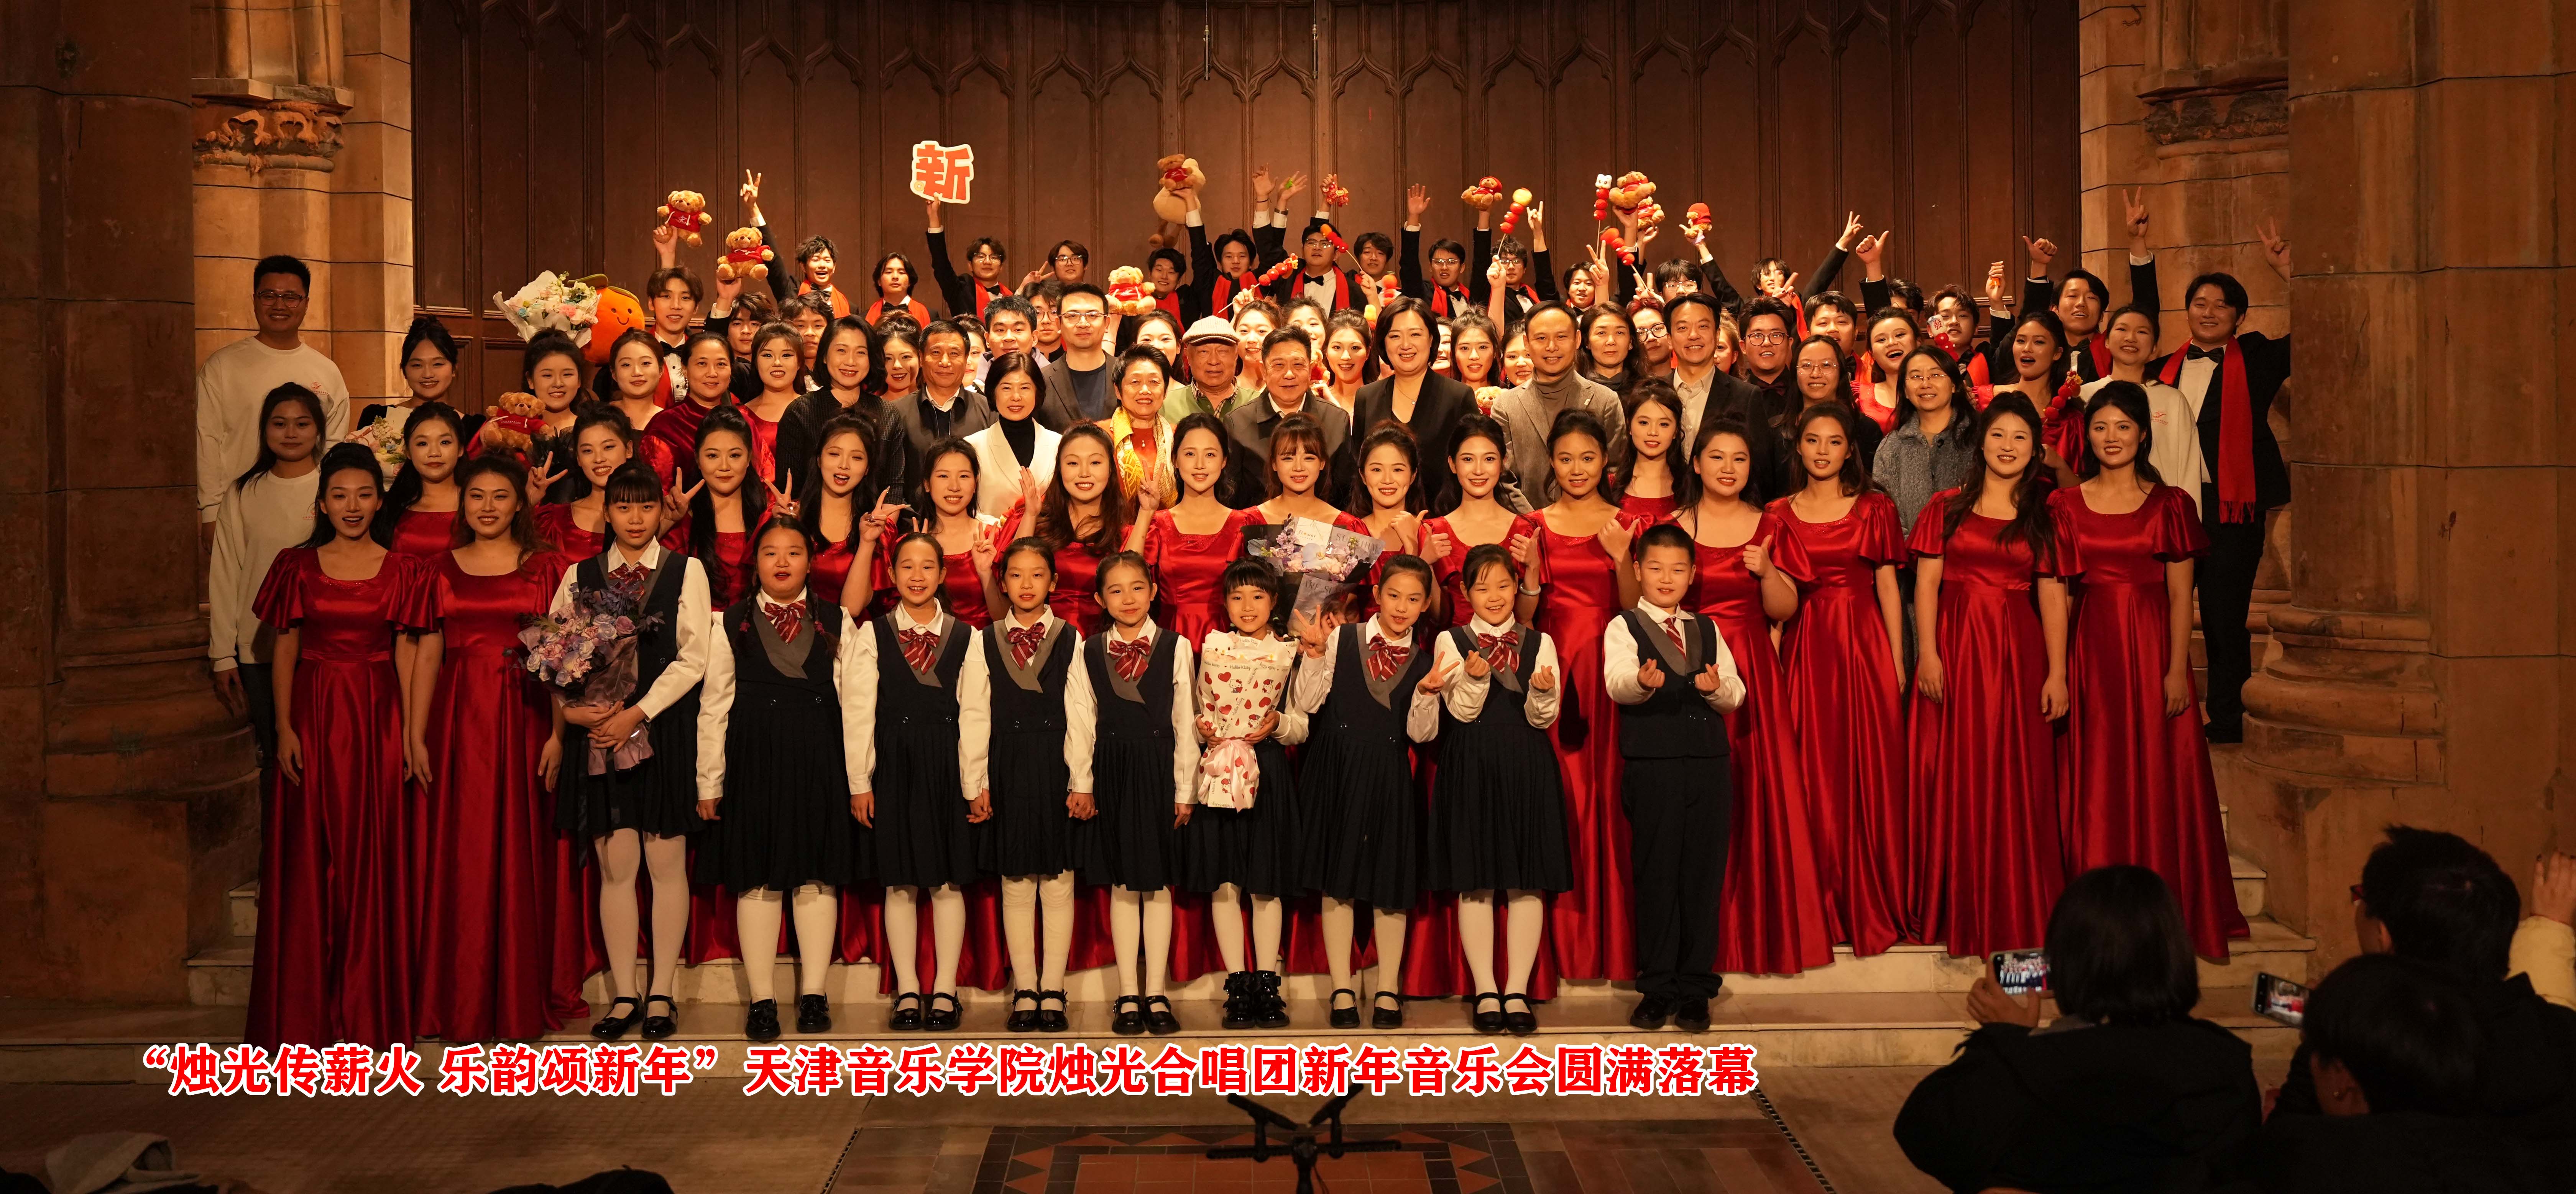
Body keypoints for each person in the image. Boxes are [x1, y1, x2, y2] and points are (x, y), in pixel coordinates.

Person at [1895, 866, 2262, 1194]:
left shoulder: (2032, 1067)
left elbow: (1924, 1131)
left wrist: (2007, 1038)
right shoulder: (2226, 1060)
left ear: (2065, 963)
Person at [2053, 383, 2249, 957]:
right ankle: (2092, 908)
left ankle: (2162, 908)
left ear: (2143, 434)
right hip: (2090, 650)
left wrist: (2174, 670)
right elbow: (2062, 593)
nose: (2111, 437)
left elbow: (2181, 594)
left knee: (2159, 772)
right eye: (2100, 427)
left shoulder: (2171, 505)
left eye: (2123, 427)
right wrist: (2059, 668)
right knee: (2095, 774)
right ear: (2088, 436)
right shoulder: (2064, 505)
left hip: (2150, 647)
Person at [2269, 826, 2576, 1187]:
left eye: (2361, 895)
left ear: (2383, 936)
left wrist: (2326, 1033)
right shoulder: (2561, 1033)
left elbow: (2276, 1163)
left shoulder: (2356, 1050)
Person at [243, 444, 424, 1051]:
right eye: (340, 495)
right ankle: (306, 1016)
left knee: (371, 857)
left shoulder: (404, 569)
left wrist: (409, 732)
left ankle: (367, 1011)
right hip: (314, 714)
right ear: (321, 503)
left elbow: (407, 652)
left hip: (377, 715)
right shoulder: (295, 565)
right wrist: (284, 728)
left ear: (379, 501)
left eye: (364, 494)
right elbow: (284, 647)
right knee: (309, 857)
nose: (352, 505)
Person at [404, 453, 582, 1042]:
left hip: (524, 714)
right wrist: (415, 732)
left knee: (520, 846)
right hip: (457, 719)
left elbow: (561, 657)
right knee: (463, 851)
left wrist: (558, 733)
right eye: (476, 496)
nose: (487, 506)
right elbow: (428, 651)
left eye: (499, 496)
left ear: (519, 504)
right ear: (463, 503)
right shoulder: (435, 568)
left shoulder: (547, 566)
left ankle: (518, 990)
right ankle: (457, 992)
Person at [544, 460, 710, 1040]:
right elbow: (555, 657)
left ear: (662, 512)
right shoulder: (580, 573)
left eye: (646, 506)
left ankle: (661, 991)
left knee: (666, 865)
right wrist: (572, 711)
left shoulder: (687, 570)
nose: (635, 518)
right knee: (616, 869)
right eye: (623, 506)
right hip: (599, 740)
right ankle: (623, 994)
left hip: (662, 732)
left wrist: (637, 714)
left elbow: (694, 658)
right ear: (607, 512)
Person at [1908, 393, 2074, 960]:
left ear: (2036, 450)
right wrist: (1928, 654)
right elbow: (1926, 584)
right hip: (1955, 649)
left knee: (2017, 777)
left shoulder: (2046, 514)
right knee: (1955, 773)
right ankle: (1958, 902)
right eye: (1998, 435)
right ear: (1981, 443)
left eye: (2020, 438)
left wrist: (2058, 671)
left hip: (2018, 656)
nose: (2008, 446)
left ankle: (2017, 905)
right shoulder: (1946, 506)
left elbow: (2053, 596)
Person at [693, 514, 863, 1041]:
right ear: (756, 564)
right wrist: (709, 782)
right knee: (758, 876)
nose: (782, 562)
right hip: (754, 757)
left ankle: (814, 993)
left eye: (794, 552)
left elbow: (857, 706)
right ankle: (762, 1000)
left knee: (816, 874)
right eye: (771, 553)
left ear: (811, 563)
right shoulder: (729, 622)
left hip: (820, 755)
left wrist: (859, 779)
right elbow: (714, 704)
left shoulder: (838, 619)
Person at [1676, 418, 1834, 977]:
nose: (1728, 468)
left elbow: (1784, 609)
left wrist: (1767, 571)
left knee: (1753, 794)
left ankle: (1754, 930)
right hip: (1689, 665)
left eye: (1739, 459)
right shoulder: (1672, 525)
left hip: (1751, 667)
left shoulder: (1771, 525)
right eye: (1717, 457)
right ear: (1697, 464)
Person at [1510, 410, 1644, 984]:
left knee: (1609, 798)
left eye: (1587, 457)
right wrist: (1530, 578)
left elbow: (1637, 609)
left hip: (1611, 671)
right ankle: (1555, 947)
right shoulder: (1533, 525)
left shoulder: (1627, 523)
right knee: (1559, 798)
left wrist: (1622, 557)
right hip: (1552, 670)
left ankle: (1615, 942)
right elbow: (1522, 616)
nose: (1577, 468)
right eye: (1565, 458)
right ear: (1552, 463)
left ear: (1605, 461)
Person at [1771, 403, 1908, 955]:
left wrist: (1898, 660)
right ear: (1798, 446)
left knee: (1866, 772)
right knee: (1813, 775)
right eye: (1813, 440)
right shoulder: (1777, 513)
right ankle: (1816, 903)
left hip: (1862, 645)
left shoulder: (1875, 507)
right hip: (1805, 646)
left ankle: (1867, 898)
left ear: (1851, 449)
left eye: (1834, 441)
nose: (1823, 451)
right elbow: (1774, 601)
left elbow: (1888, 586)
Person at [2146, 241, 2293, 744]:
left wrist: (2290, 273)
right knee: (2155, 611)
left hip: (2231, 508)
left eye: (2221, 306)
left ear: (2239, 316)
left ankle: (2227, 719)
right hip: (2168, 506)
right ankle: (2153, 711)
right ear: (2187, 311)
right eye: (2199, 303)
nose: (2208, 313)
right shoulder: (2160, 370)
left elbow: (2314, 334)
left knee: (2225, 616)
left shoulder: (2256, 358)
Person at [1296, 555, 1445, 1030]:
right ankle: (1342, 986)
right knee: (1337, 879)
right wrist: (1313, 656)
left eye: (1414, 599)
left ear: (1425, 604)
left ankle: (1387, 988)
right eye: (1394, 595)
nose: (1402, 607)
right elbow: (1307, 703)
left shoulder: (1427, 661)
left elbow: (1421, 735)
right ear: (1377, 595)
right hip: (1336, 766)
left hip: (1388, 772)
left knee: (1390, 884)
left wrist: (1427, 695)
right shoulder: (1342, 637)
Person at [1607, 524, 1745, 1030]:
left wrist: (1716, 690)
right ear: (1638, 570)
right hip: (1653, 765)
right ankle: (1657, 986)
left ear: (1692, 574)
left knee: (1703, 877)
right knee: (1657, 875)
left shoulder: (1707, 628)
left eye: (1678, 569)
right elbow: (1616, 681)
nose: (1667, 578)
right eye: (1656, 568)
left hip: (1709, 764)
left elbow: (1736, 691)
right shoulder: (1624, 625)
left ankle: (1695, 989)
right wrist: (1641, 683)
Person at [1426, 544, 1567, 1035]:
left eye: (1504, 585)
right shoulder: (1451, 639)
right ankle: (1486, 989)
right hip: (1472, 761)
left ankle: (1518, 991)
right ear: (1466, 593)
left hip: (1527, 763)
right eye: (1482, 587)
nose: (1494, 596)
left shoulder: (1540, 642)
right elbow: (1460, 713)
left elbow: (1543, 719)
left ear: (1517, 587)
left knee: (1528, 880)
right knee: (1477, 880)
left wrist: (1543, 692)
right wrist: (1474, 680)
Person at [850, 532, 982, 1032]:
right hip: (895, 764)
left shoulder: (966, 636)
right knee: (901, 882)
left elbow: (975, 713)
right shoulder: (873, 633)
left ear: (944, 574)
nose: (918, 575)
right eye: (907, 566)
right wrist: (860, 781)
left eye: (928, 566)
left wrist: (974, 782)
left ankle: (945, 989)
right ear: (891, 574)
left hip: (946, 763)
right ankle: (908, 989)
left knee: (947, 882)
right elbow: (859, 712)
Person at [1068, 551, 1201, 1035]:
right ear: (1100, 599)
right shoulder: (1088, 650)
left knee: (1157, 881)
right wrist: (1082, 782)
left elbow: (1186, 719)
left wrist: (1185, 787)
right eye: (1116, 590)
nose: (1128, 598)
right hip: (1112, 768)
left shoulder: (1176, 646)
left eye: (1138, 587)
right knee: (1123, 883)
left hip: (1160, 767)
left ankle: (1157, 992)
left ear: (1154, 592)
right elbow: (1081, 719)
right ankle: (1128, 992)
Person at [960, 539, 1083, 1035]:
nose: (1027, 584)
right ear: (1002, 582)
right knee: (1015, 883)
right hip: (1006, 763)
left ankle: (1053, 987)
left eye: (1037, 574)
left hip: (1056, 763)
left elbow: (1082, 714)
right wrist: (975, 780)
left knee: (1057, 880)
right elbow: (974, 713)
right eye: (1016, 574)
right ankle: (1025, 988)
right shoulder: (983, 640)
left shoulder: (1072, 637)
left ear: (1054, 582)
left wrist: (1082, 779)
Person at [208, 383, 327, 762]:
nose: (291, 433)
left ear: (319, 430)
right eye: (280, 424)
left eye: (302, 424)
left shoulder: (335, 488)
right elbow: (226, 574)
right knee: (277, 756)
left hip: (325, 648)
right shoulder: (243, 492)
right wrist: (223, 654)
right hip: (259, 648)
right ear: (264, 430)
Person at [197, 255, 351, 545]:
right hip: (239, 509)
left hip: (309, 511)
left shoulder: (327, 371)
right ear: (255, 300)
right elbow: (207, 440)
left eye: (291, 297)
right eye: (269, 296)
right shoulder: (222, 367)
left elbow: (333, 448)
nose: (279, 305)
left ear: (306, 303)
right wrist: (211, 511)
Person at [1135, 414, 1259, 643]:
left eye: (1210, 455)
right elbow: (1126, 575)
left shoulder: (1244, 524)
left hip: (1230, 646)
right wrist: (1146, 512)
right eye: (1190, 454)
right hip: (1169, 643)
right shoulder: (1158, 524)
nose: (1200, 464)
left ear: (1224, 461)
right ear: (1175, 460)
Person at [1491, 304, 1626, 510]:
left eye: (1561, 337)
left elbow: (1616, 472)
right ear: (1527, 343)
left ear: (1578, 340)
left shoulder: (1605, 400)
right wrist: (1534, 522)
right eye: (1541, 338)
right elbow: (1503, 477)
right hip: (1525, 523)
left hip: (1592, 520)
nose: (1552, 347)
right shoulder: (1505, 406)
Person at [2016, 192, 2160, 384]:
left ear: (2102, 315)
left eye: (2091, 298)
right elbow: (2031, 318)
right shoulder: (2040, 350)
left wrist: (2137, 241)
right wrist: (2039, 265)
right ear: (2055, 309)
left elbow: (2145, 311)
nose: (2081, 304)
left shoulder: (2111, 349)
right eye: (2072, 296)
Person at [1352, 299, 1475, 504]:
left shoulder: (1458, 397)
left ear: (1431, 339)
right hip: (1380, 519)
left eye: (1415, 335)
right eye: (1395, 336)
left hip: (1442, 517)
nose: (1406, 345)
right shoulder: (1367, 397)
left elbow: (1471, 467)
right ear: (1384, 343)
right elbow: (1358, 468)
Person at [2084, 306, 2205, 510]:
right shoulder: (2084, 395)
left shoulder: (2172, 400)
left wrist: (2187, 518)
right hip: (2096, 510)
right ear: (2106, 341)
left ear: (2155, 348)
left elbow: (2189, 471)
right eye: (2122, 329)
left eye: (2142, 332)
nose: (2131, 338)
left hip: (2159, 514)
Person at [1222, 331, 1354, 509]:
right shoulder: (1238, 423)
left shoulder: (1336, 421)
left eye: (1298, 365)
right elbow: (1231, 497)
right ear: (1264, 371)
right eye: (1279, 365)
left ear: (1310, 369)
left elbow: (1345, 495)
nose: (1289, 374)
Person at [1419, 413, 1520, 629]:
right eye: (1468, 459)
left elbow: (1527, 614)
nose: (1479, 470)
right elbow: (1438, 617)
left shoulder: (1524, 531)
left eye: (1489, 459)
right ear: (1453, 464)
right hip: (1453, 645)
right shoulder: (1434, 532)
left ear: (1503, 463)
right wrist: (1425, 564)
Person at [1030, 425, 1133, 635]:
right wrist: (1030, 516)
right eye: (1073, 463)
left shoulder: (1126, 534)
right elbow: (1011, 587)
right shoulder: (1036, 523)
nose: (1084, 473)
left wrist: (1148, 512)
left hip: (1105, 645)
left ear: (1111, 469)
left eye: (1095, 463)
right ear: (1060, 469)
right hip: (1042, 642)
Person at [877, 321, 996, 501]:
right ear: (921, 357)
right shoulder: (895, 413)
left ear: (966, 359)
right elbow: (887, 481)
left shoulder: (989, 411)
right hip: (912, 517)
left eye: (954, 354)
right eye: (936, 353)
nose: (945, 362)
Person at [1874, 345, 1982, 535]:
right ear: (1905, 391)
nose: (1926, 384)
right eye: (1916, 377)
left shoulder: (1980, 438)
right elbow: (1884, 513)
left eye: (1936, 375)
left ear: (1954, 385)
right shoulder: (1892, 446)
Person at [672, 406, 770, 609]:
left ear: (749, 459)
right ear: (698, 459)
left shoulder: (766, 516)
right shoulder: (682, 519)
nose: (724, 466)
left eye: (735, 456)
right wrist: (667, 521)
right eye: (713, 456)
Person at [776, 317, 881, 496]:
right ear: (824, 356)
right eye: (841, 350)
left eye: (861, 353)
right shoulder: (800, 412)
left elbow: (893, 487)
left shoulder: (888, 413)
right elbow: (788, 487)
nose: (851, 361)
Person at [795, 414, 884, 609]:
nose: (844, 465)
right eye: (834, 454)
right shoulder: (791, 516)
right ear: (819, 459)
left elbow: (853, 609)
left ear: (868, 468)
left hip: (853, 628)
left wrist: (867, 542)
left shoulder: (877, 529)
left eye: (857, 458)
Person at [354, 315, 460, 479]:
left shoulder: (471, 426)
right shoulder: (376, 416)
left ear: (454, 369)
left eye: (438, 364)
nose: (428, 374)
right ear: (404, 371)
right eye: (417, 365)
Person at [963, 353, 1061, 521]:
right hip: (989, 536)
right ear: (993, 392)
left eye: (1025, 388)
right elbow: (965, 510)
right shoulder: (972, 447)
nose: (1016, 397)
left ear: (1037, 392)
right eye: (1007, 388)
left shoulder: (1059, 445)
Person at [379, 403, 467, 558]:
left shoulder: (477, 503)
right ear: (408, 452)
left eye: (445, 442)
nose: (434, 453)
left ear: (460, 449)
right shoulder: (391, 507)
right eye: (422, 444)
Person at [1038, 284, 1116, 428]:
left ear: (1106, 323)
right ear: (1059, 324)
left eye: (1093, 315)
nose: (1083, 324)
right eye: (1072, 316)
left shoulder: (1127, 374)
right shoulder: (1041, 381)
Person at [924, 196, 1010, 320]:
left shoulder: (1010, 296)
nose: (987, 262)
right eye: (981, 256)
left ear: (1001, 267)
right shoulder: (960, 290)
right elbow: (941, 264)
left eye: (994, 257)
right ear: (970, 265)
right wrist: (933, 216)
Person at [1607, 384, 1684, 522]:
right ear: (1629, 426)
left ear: (1676, 431)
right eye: (1644, 423)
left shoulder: (1690, 486)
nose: (1653, 432)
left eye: (1664, 424)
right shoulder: (1609, 486)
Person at [1397, 184, 1474, 318]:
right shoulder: (1422, 293)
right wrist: (1414, 216)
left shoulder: (1470, 297)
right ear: (1431, 267)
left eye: (1451, 262)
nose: (1444, 267)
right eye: (1438, 262)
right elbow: (1410, 264)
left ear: (1462, 268)